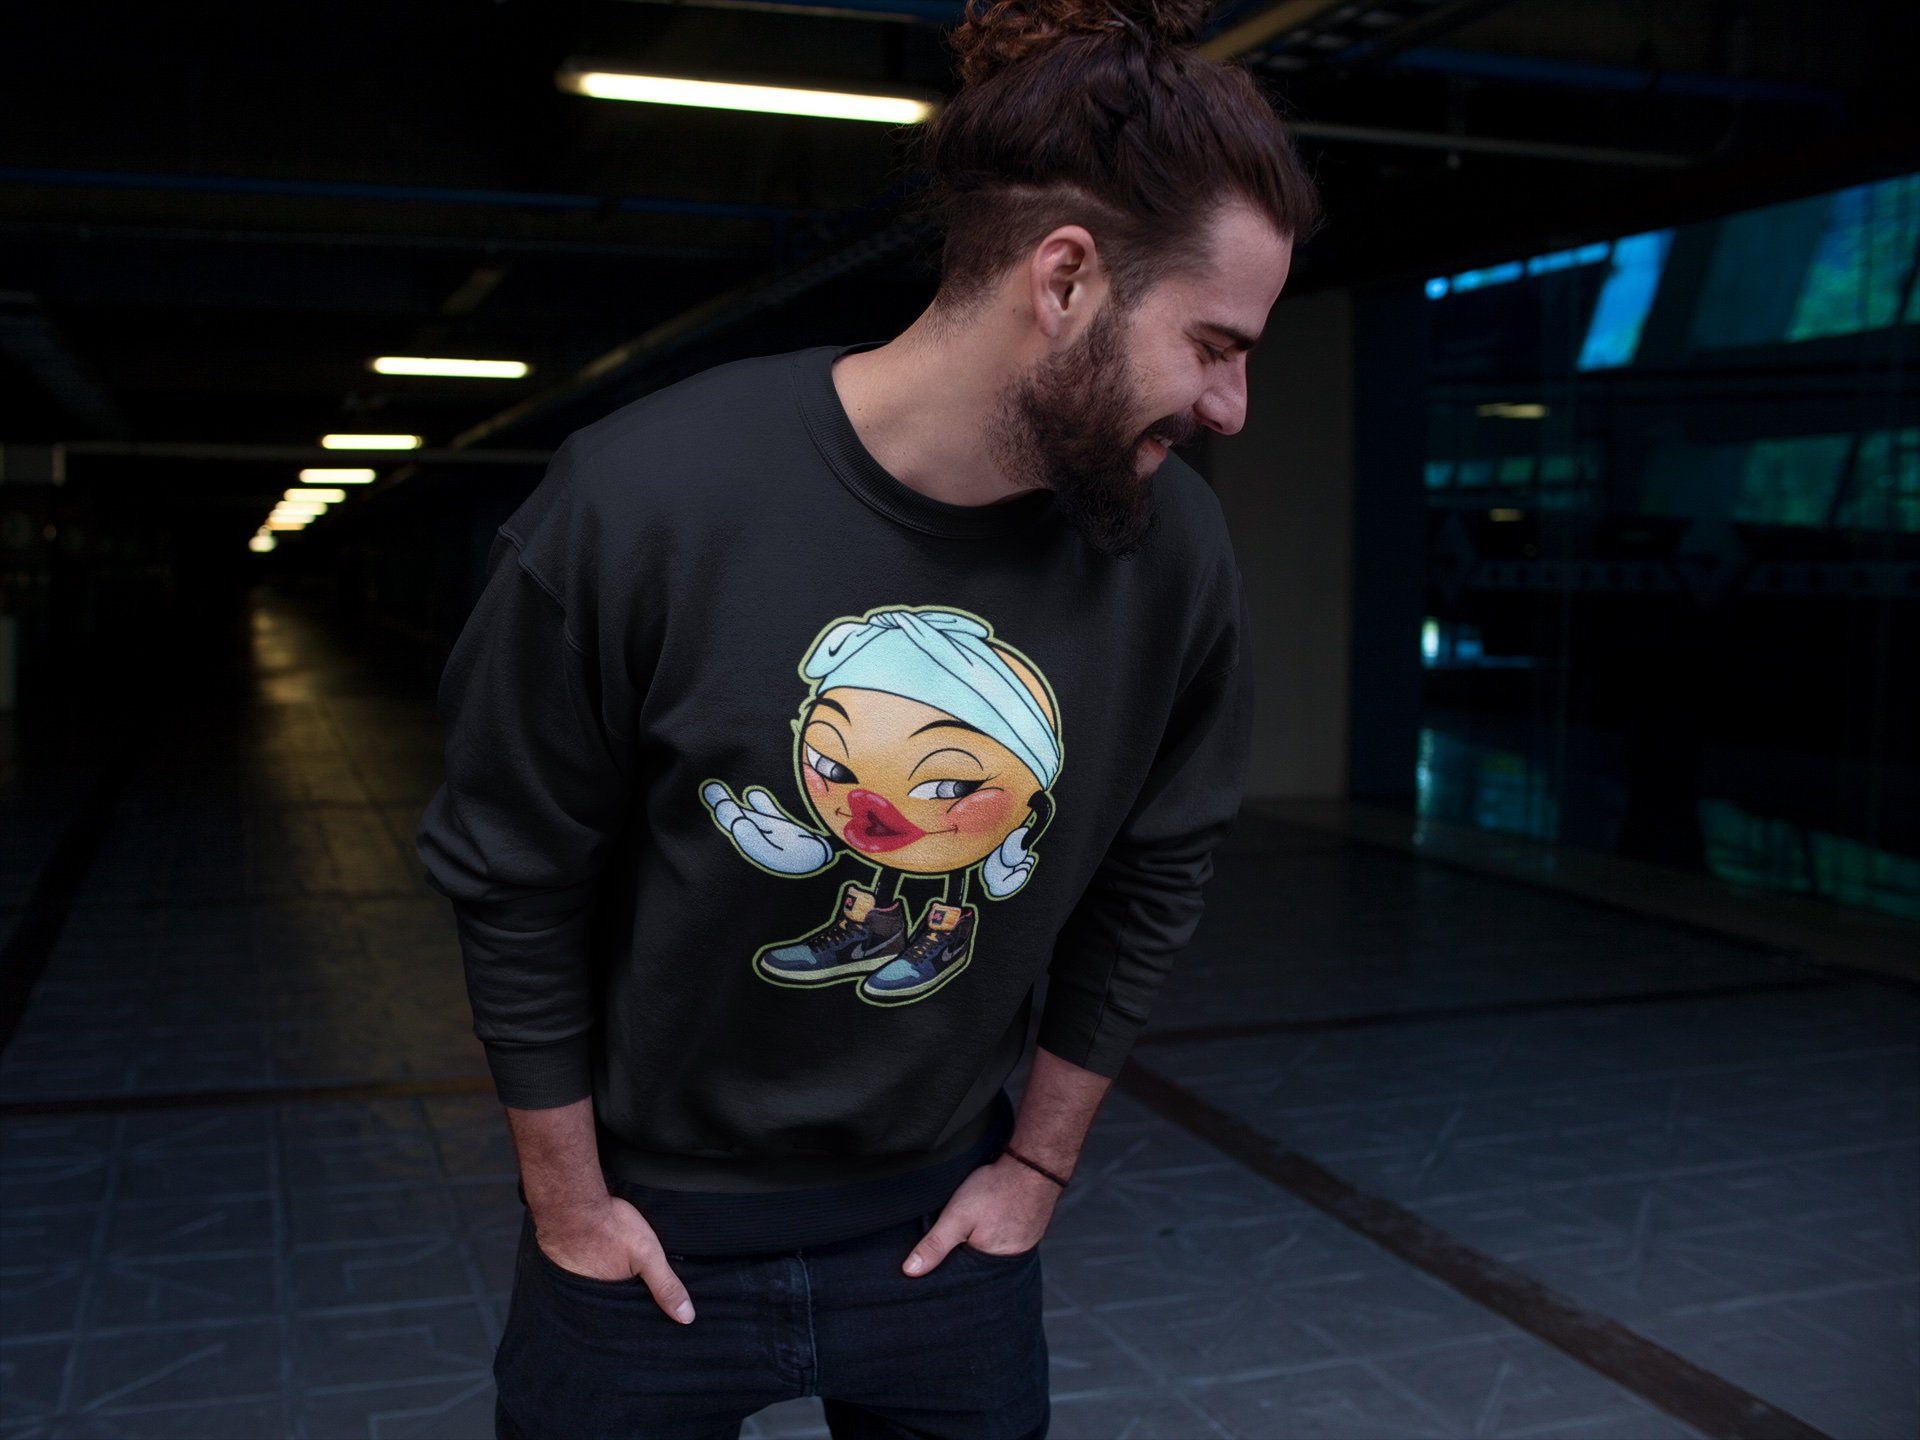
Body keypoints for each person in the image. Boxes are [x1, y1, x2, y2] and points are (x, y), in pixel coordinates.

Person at [414, 0, 1319, 1433]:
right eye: (1215, 343)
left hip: (943, 1239)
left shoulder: (1172, 554)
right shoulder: (645, 501)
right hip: (641, 1242)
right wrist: (568, 1204)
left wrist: (1036, 1170)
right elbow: (513, 873)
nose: (1233, 406)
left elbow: (1154, 876)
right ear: (1066, 278)